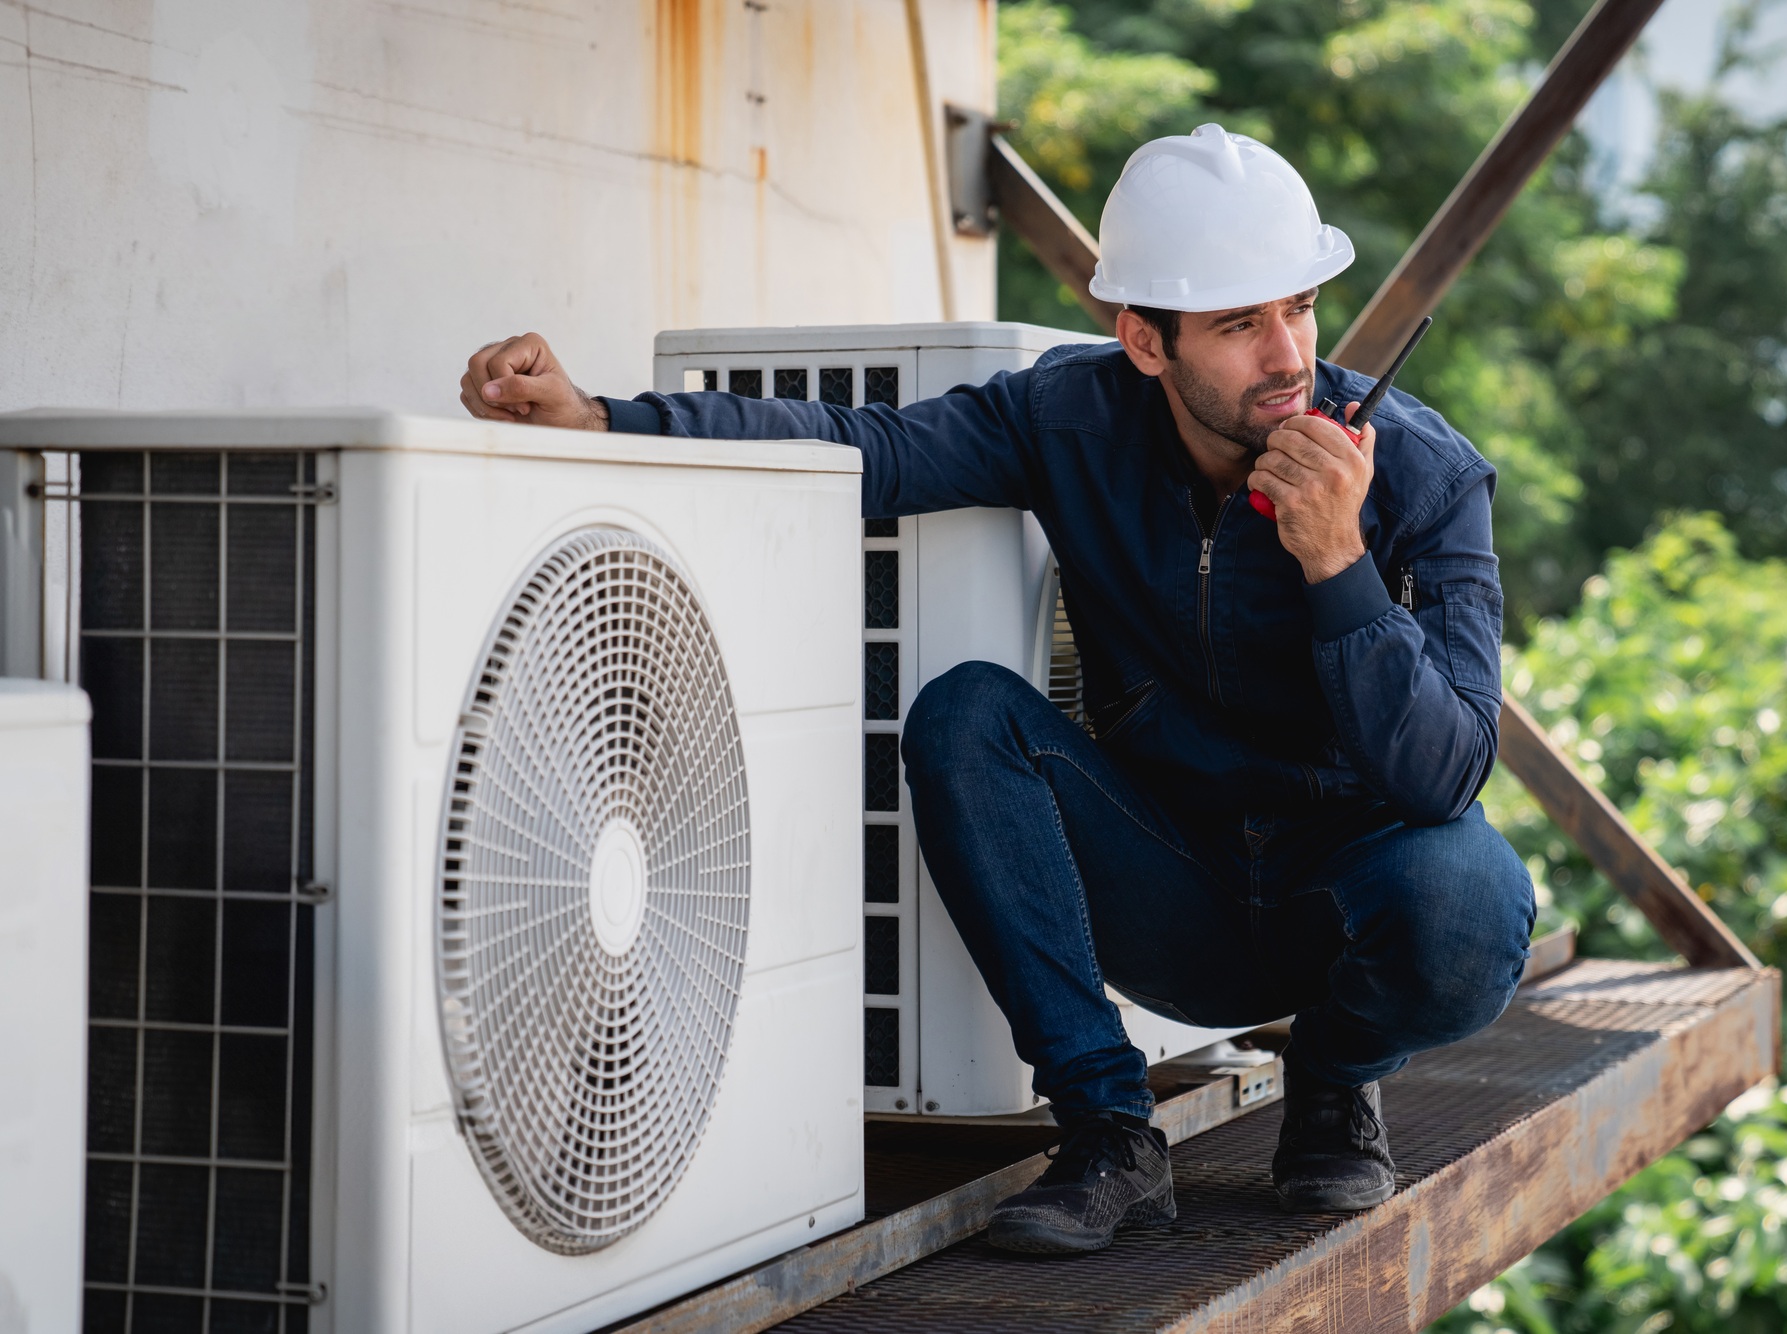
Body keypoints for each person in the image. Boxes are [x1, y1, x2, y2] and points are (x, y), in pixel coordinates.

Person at [457, 125, 1534, 1255]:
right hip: (1167, 877)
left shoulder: (1421, 472)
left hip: (1340, 889)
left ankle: (1330, 1077)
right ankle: (1111, 1129)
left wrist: (1337, 565)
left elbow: (1445, 771)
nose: (1287, 355)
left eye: (1298, 308)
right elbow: (854, 443)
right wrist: (605, 419)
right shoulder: (1069, 416)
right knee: (966, 711)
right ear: (1143, 340)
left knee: (1471, 896)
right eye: (1237, 324)